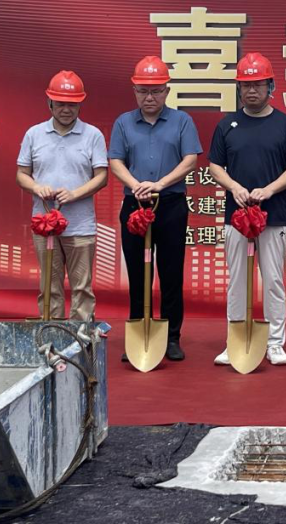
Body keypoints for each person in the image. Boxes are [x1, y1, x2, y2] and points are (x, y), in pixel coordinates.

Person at [208, 52, 286, 366]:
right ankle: (234, 341)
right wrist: (234, 187)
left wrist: (270, 189)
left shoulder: (285, 125)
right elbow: (214, 166)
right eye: (245, 85)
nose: (251, 90)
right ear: (238, 88)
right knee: (237, 281)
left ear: (270, 86)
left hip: (273, 216)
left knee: (273, 280)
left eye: (258, 84)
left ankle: (275, 343)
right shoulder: (227, 124)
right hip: (236, 217)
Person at [109, 56, 201, 362]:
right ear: (134, 91)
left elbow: (190, 160)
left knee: (171, 272)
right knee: (138, 273)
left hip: (170, 204)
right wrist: (136, 185)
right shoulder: (123, 122)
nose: (150, 97)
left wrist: (159, 184)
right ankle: (139, 332)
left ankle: (172, 337)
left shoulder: (182, 121)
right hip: (135, 203)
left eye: (156, 91)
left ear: (167, 91)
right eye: (143, 91)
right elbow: (115, 161)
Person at [16, 70, 109, 322]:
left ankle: (81, 336)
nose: (66, 109)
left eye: (72, 104)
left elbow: (102, 176)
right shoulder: (34, 134)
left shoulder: (93, 135)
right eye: (60, 104)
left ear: (80, 104)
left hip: (81, 224)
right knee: (49, 285)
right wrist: (37, 188)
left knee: (82, 287)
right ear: (49, 102)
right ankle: (51, 333)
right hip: (43, 224)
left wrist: (74, 194)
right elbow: (22, 175)